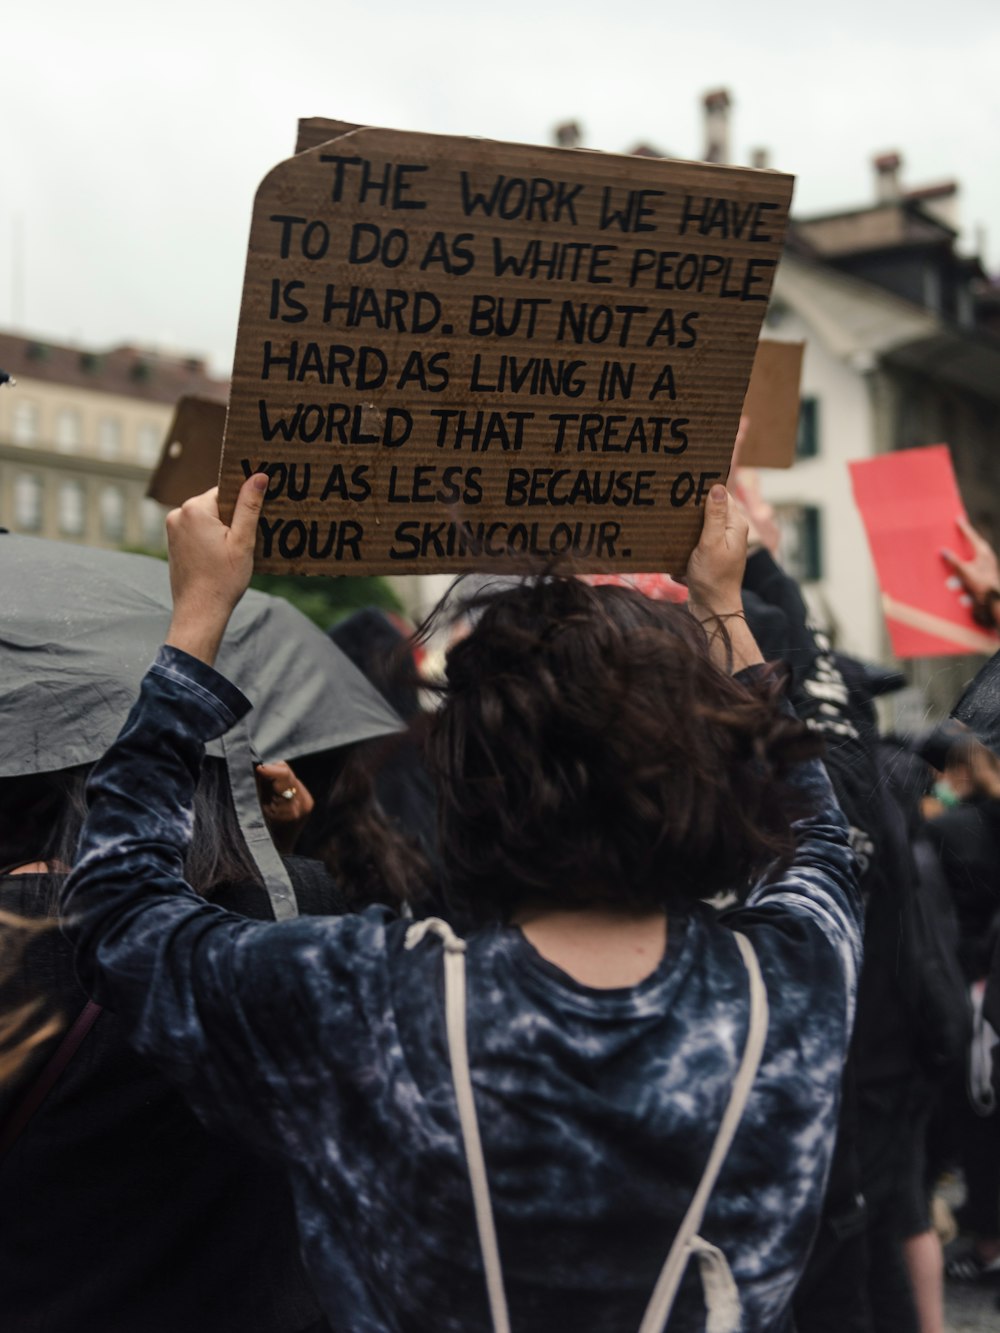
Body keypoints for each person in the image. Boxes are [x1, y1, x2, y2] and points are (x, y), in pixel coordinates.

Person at [61, 476, 862, 1332]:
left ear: (468, 788)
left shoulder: (368, 1000)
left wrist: (197, 621)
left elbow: (119, 906)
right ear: (712, 780)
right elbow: (814, 827)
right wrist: (724, 609)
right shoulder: (795, 977)